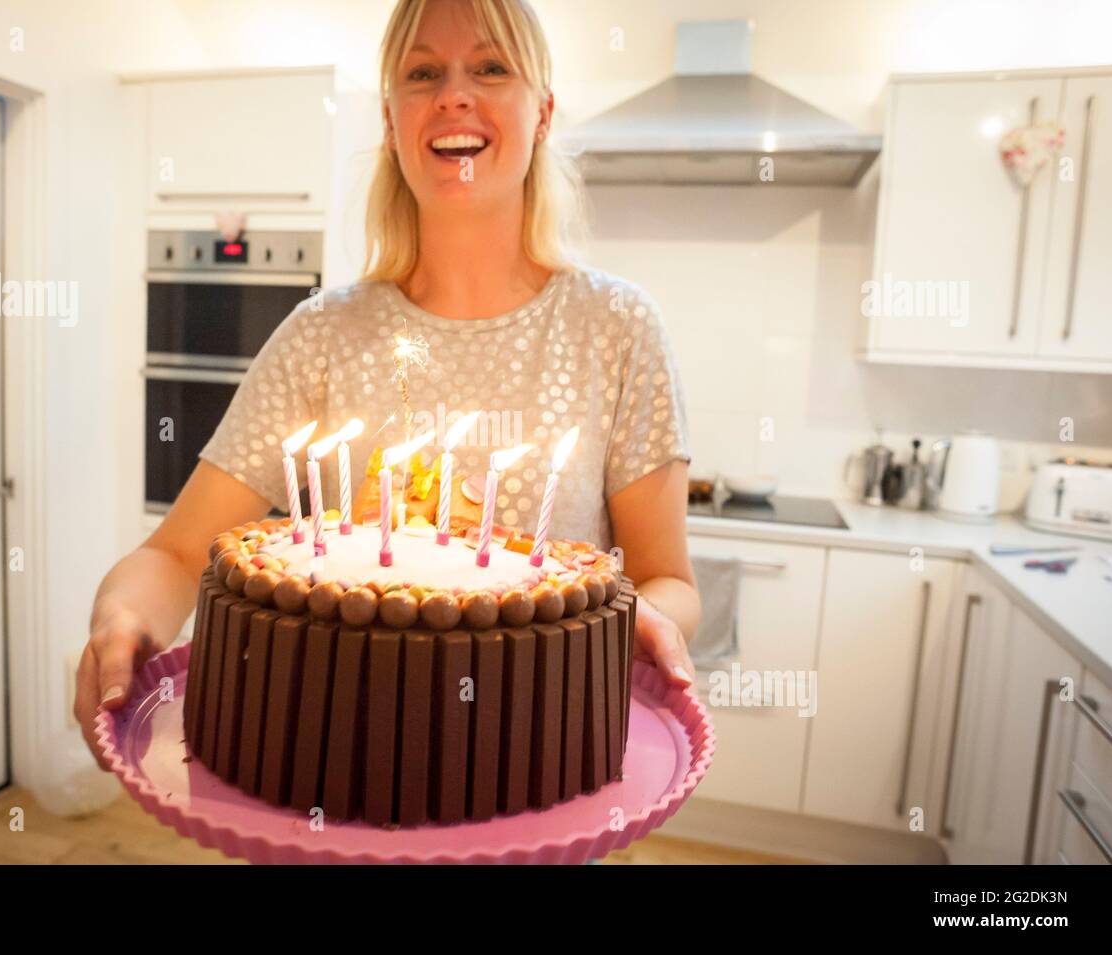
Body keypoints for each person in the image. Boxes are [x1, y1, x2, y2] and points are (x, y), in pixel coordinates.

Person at [77, 0, 701, 768]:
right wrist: (123, 614)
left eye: (490, 67)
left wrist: (642, 623)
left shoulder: (618, 327)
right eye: (423, 73)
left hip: (541, 770)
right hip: (344, 773)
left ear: (541, 113)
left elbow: (667, 578)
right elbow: (175, 557)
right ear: (390, 120)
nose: (453, 95)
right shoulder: (321, 336)